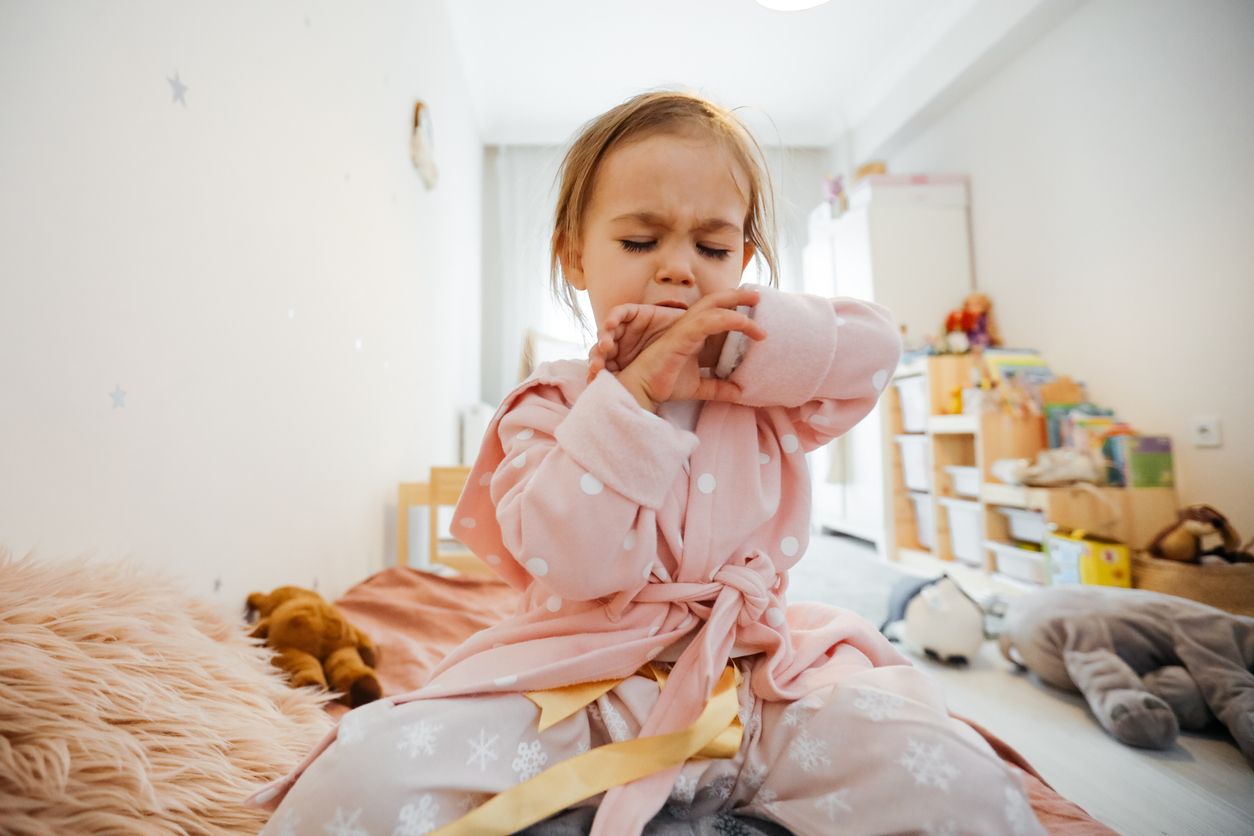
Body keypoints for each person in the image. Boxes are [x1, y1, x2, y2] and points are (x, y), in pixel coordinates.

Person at [249, 91, 1043, 836]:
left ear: (745, 259)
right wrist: (631, 396)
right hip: (578, 687)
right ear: (575, 257)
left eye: (712, 245)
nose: (678, 267)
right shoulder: (549, 403)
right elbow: (575, 559)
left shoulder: (766, 384)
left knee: (967, 784)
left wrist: (742, 349)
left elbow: (874, 350)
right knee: (361, 780)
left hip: (760, 684)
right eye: (640, 241)